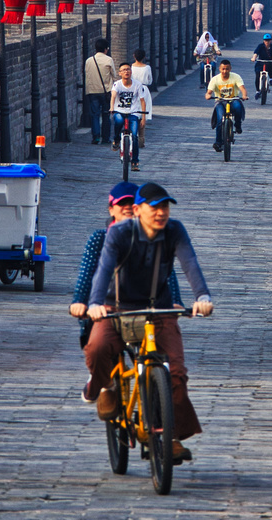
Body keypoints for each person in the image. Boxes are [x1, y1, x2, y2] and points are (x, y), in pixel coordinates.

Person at [83, 182, 213, 464]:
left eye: (165, 207)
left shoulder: (174, 231)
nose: (161, 213)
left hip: (159, 308)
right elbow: (103, 269)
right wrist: (94, 305)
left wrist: (202, 296)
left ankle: (171, 437)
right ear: (139, 210)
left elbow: (189, 263)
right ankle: (106, 386)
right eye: (155, 207)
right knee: (97, 347)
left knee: (175, 373)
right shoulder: (119, 233)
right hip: (116, 307)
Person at [70, 183, 150, 351]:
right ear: (111, 209)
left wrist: (176, 302)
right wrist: (79, 301)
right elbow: (86, 274)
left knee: (171, 360)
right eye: (122, 204)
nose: (128, 208)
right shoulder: (100, 239)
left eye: (133, 204)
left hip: (145, 307)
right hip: (107, 307)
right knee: (98, 351)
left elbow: (167, 274)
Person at [108, 61, 152, 170]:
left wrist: (143, 117)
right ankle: (117, 139)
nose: (126, 71)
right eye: (124, 70)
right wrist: (112, 108)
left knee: (135, 137)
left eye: (128, 69)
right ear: (120, 73)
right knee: (118, 121)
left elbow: (142, 101)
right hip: (119, 111)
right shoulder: (117, 85)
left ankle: (135, 162)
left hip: (133, 112)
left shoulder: (137, 85)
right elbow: (113, 96)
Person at [205, 58, 247, 150]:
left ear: (230, 69)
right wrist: (208, 95)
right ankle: (218, 142)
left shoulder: (236, 77)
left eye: (227, 69)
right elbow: (209, 92)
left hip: (233, 99)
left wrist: (244, 95)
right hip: (220, 101)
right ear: (220, 69)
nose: (225, 71)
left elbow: (242, 88)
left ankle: (238, 124)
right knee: (220, 120)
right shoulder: (215, 79)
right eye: (223, 69)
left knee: (239, 107)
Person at [84, 40, 116, 145]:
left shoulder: (89, 60)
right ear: (106, 49)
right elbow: (114, 75)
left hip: (92, 91)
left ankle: (96, 137)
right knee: (106, 115)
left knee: (95, 115)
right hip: (106, 91)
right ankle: (105, 138)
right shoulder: (109, 60)